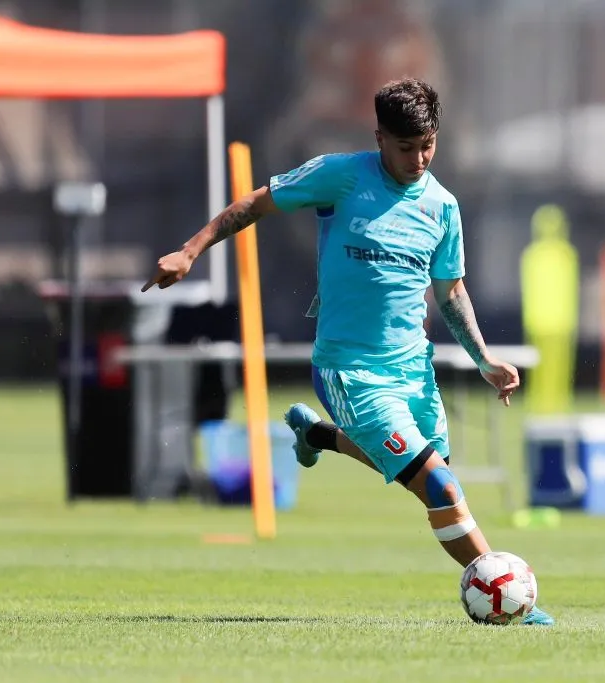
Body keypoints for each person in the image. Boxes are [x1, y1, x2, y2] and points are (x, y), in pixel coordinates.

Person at [143, 78, 553, 626]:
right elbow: (255, 204)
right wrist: (189, 251)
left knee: (427, 478)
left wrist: (483, 360)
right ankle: (507, 595)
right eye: (406, 147)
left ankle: (319, 437)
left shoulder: (443, 207)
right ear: (379, 137)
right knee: (441, 486)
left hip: (413, 369)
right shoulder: (341, 175)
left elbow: (451, 290)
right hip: (349, 369)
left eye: (429, 144)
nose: (419, 158)